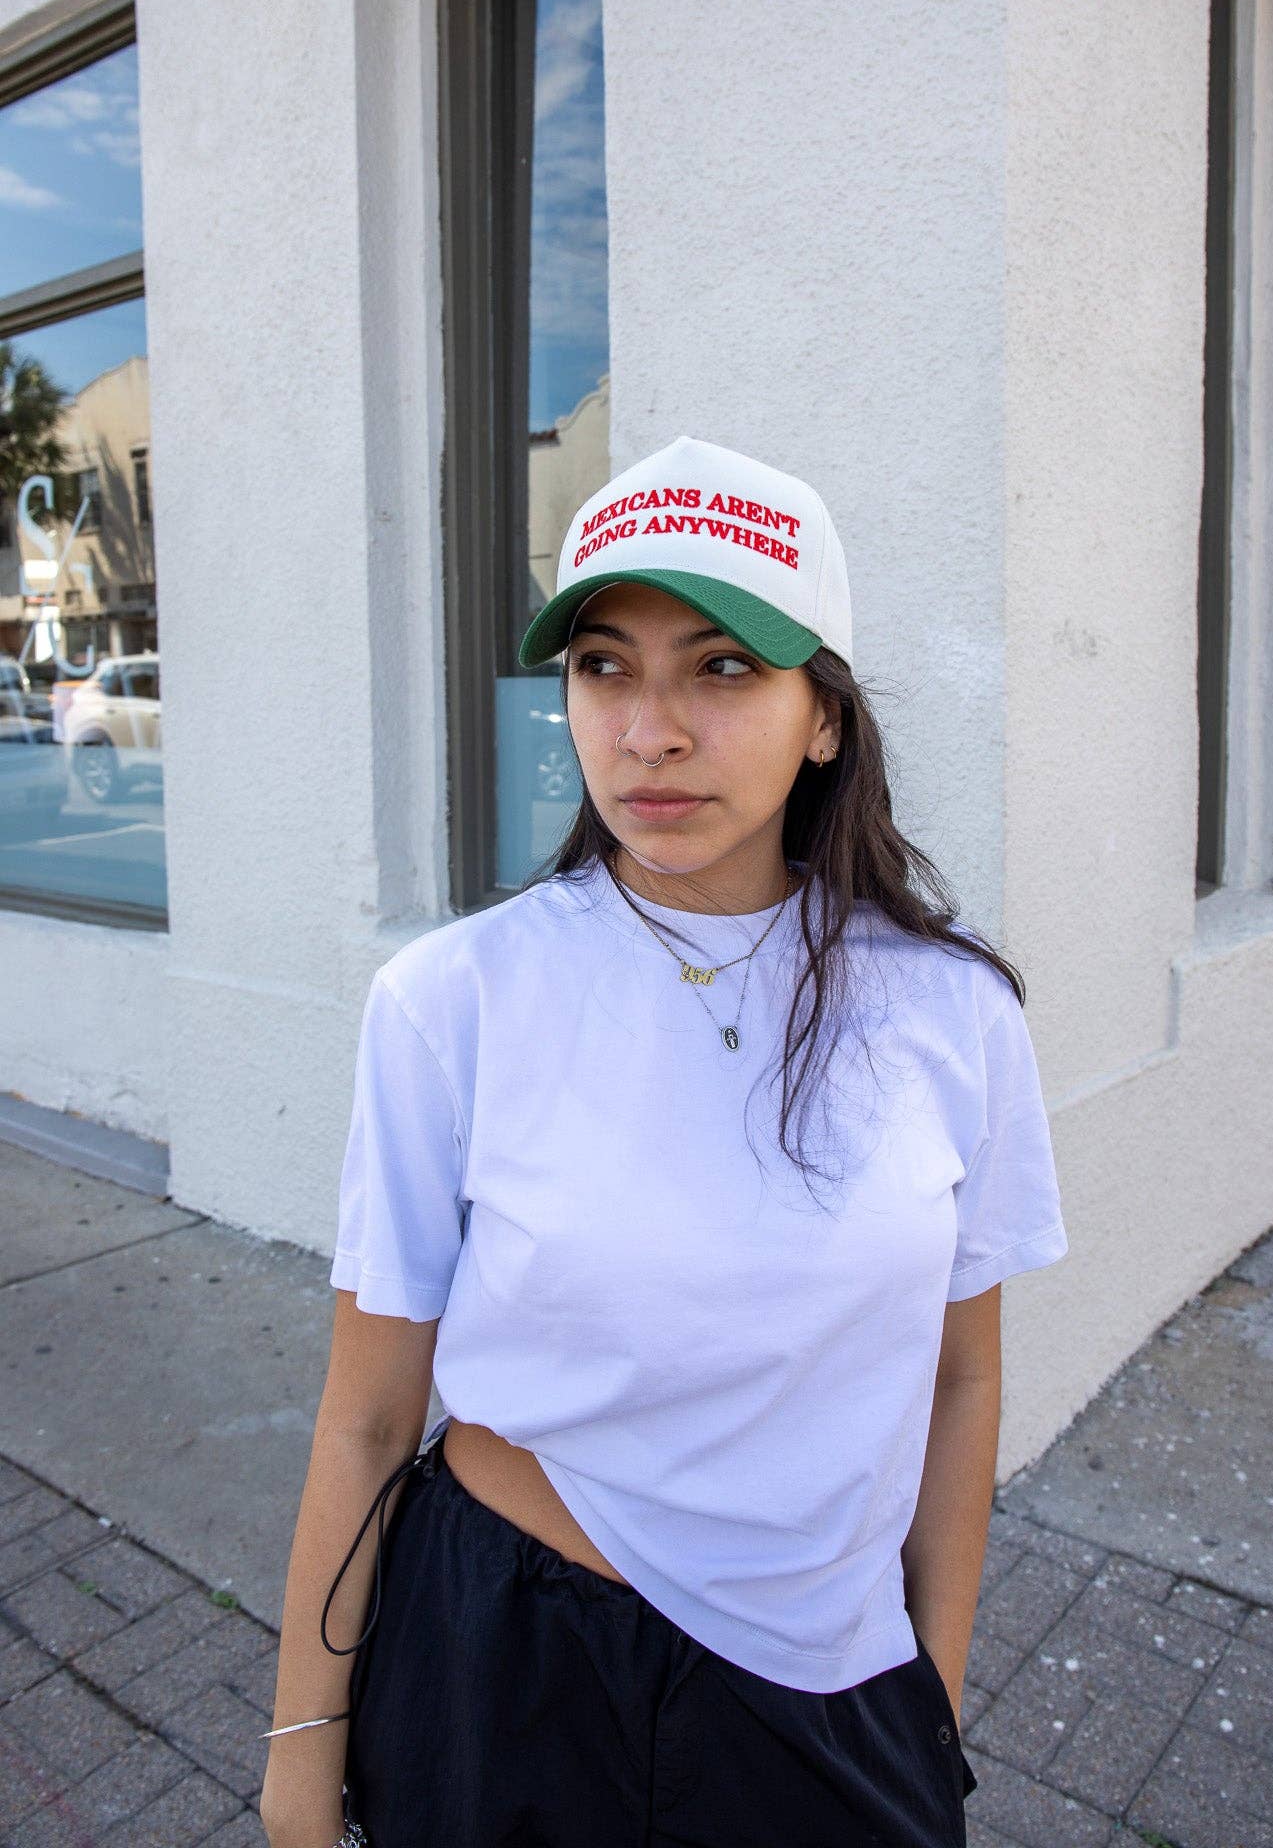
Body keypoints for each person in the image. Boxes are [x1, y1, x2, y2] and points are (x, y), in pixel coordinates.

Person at [260, 434, 1069, 1848]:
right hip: (501, 1663)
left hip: (827, 1686)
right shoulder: (453, 1000)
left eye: (723, 667)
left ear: (825, 717)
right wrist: (300, 1754)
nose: (649, 732)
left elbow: (960, 1378)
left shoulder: (950, 1013)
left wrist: (930, 1697)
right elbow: (370, 1412)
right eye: (603, 667)